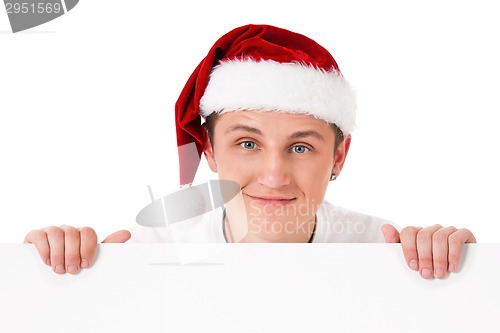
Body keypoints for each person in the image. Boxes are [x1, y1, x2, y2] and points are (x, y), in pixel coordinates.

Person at [24, 24, 475, 279]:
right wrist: (40, 270)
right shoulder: (148, 253)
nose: (274, 174)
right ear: (211, 153)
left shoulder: (389, 255)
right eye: (248, 143)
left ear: (338, 157)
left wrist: (465, 275)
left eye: (301, 146)